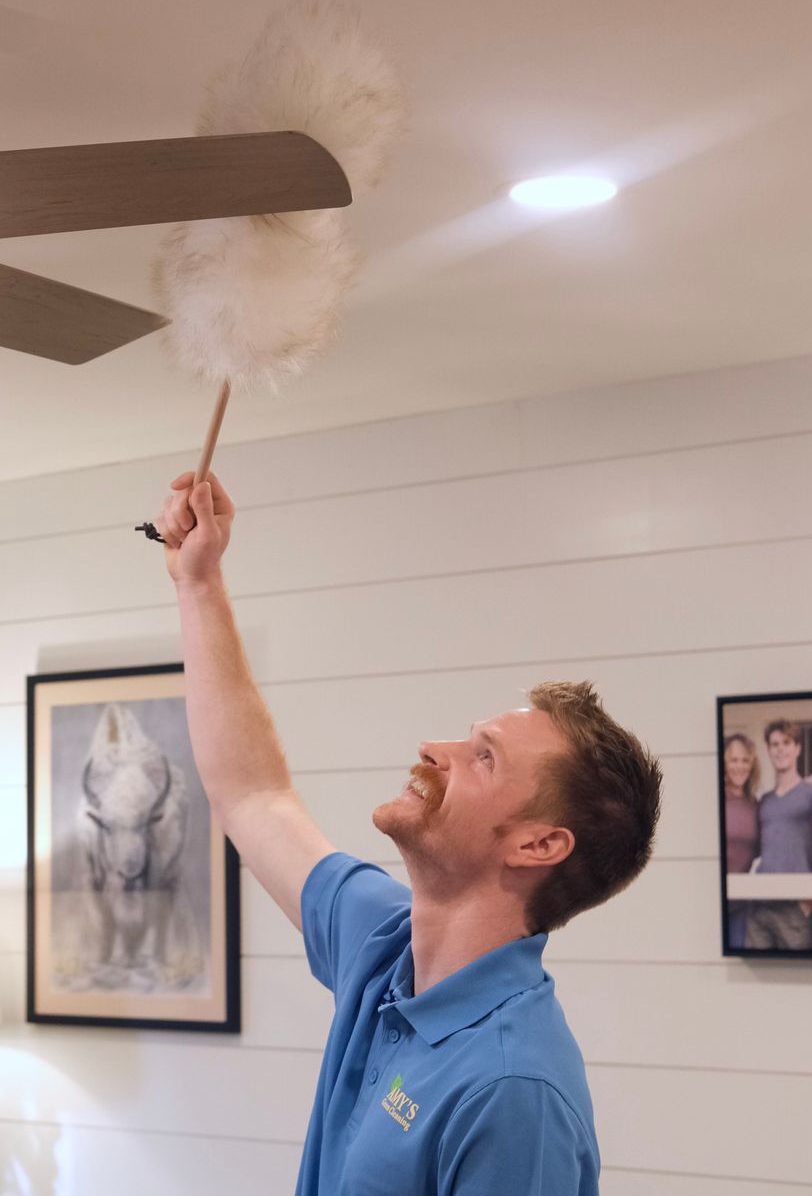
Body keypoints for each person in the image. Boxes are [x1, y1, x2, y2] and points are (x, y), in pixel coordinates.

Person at [155, 472, 662, 1196]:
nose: (435, 750)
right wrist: (198, 583)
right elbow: (252, 794)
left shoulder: (513, 1091)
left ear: (538, 845)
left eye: (483, 756)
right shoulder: (385, 944)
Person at [745, 721, 812, 950]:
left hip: (795, 908)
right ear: (768, 750)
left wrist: (809, 900)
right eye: (774, 744)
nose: (780, 749)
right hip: (761, 906)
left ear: (797, 748)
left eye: (786, 743)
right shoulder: (764, 801)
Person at [721, 734, 761, 950]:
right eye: (734, 760)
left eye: (745, 760)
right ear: (724, 763)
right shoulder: (717, 800)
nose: (740, 766)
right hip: (716, 899)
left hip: (743, 903)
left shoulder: (754, 803)